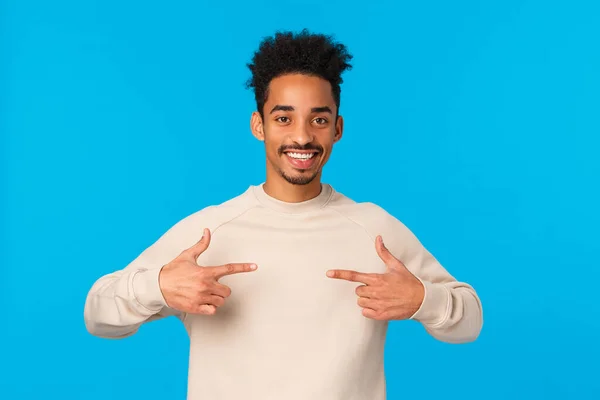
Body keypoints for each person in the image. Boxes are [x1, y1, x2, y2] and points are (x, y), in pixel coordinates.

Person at [84, 29, 483, 400]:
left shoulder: (373, 230)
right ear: (259, 125)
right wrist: (157, 286)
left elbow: (470, 322)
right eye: (283, 118)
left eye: (319, 119)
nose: (302, 136)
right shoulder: (209, 231)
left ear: (337, 129)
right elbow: (98, 315)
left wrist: (422, 299)